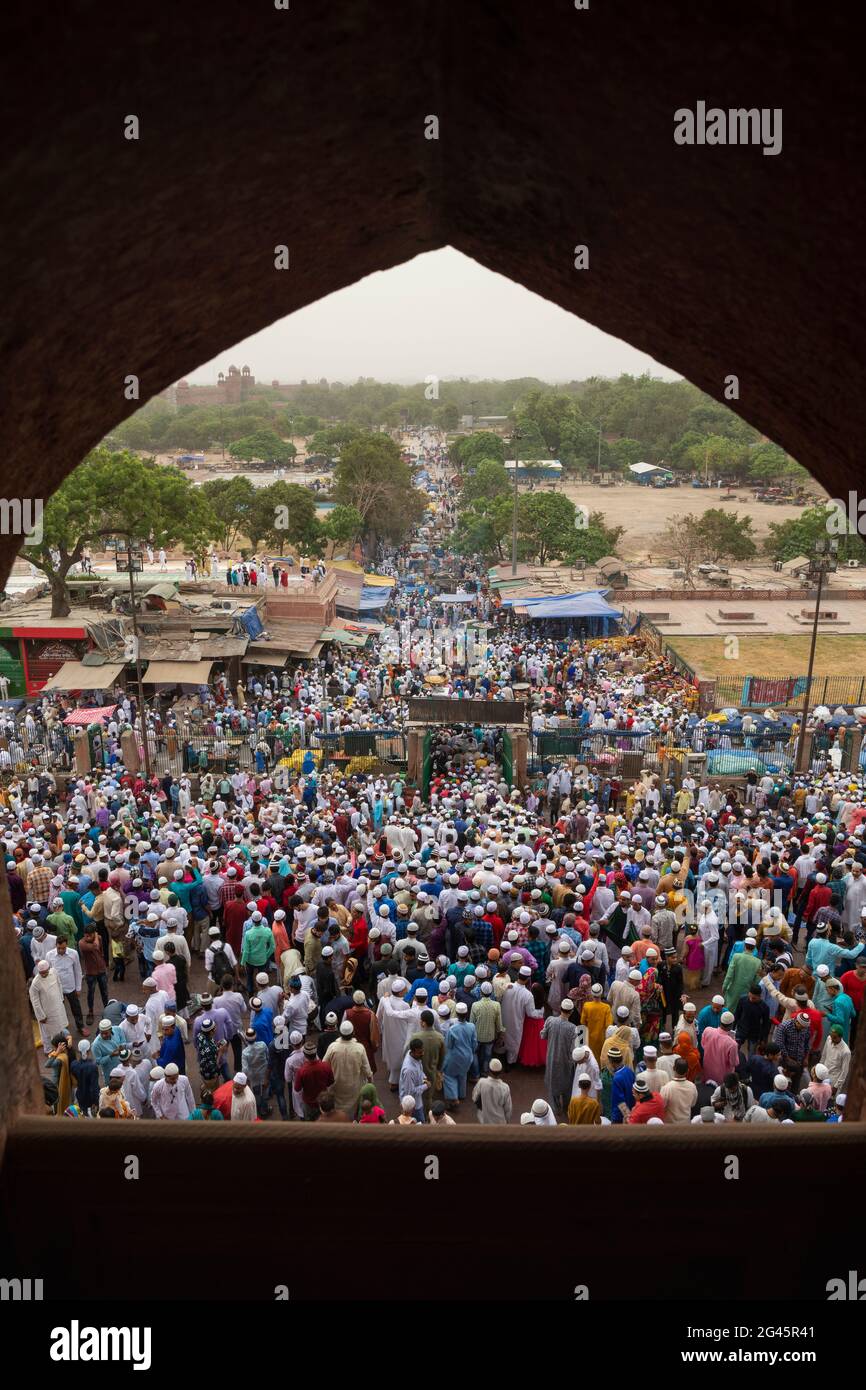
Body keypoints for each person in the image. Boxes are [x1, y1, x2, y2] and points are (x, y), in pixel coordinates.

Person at [471, 1058, 512, 1124]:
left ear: (490, 1071)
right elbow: (508, 1108)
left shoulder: (481, 1082)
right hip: (499, 1121)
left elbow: (474, 1097)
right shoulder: (505, 1087)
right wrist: (507, 1120)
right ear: (500, 1072)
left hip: (483, 1119)